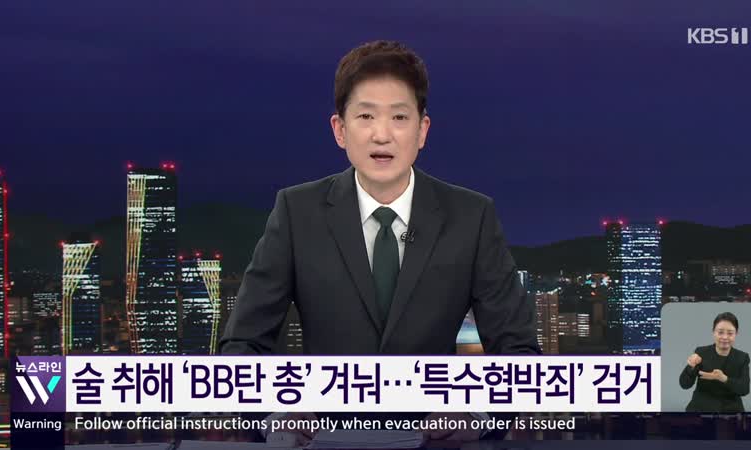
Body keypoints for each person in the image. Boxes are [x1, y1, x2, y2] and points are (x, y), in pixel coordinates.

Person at [220, 40, 540, 444]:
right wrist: (276, 413)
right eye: (366, 116)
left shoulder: (471, 216)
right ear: (340, 130)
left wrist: (475, 414)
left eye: (400, 117)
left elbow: (518, 352)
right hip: (322, 441)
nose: (382, 135)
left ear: (422, 130)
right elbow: (243, 344)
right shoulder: (297, 212)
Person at [679, 312, 750, 412]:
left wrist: (723, 378)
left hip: (730, 408)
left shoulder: (742, 357)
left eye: (730, 333)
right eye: (720, 332)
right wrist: (691, 367)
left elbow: (744, 389)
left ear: (736, 334)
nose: (725, 337)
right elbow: (684, 385)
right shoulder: (701, 352)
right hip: (701, 407)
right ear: (713, 332)